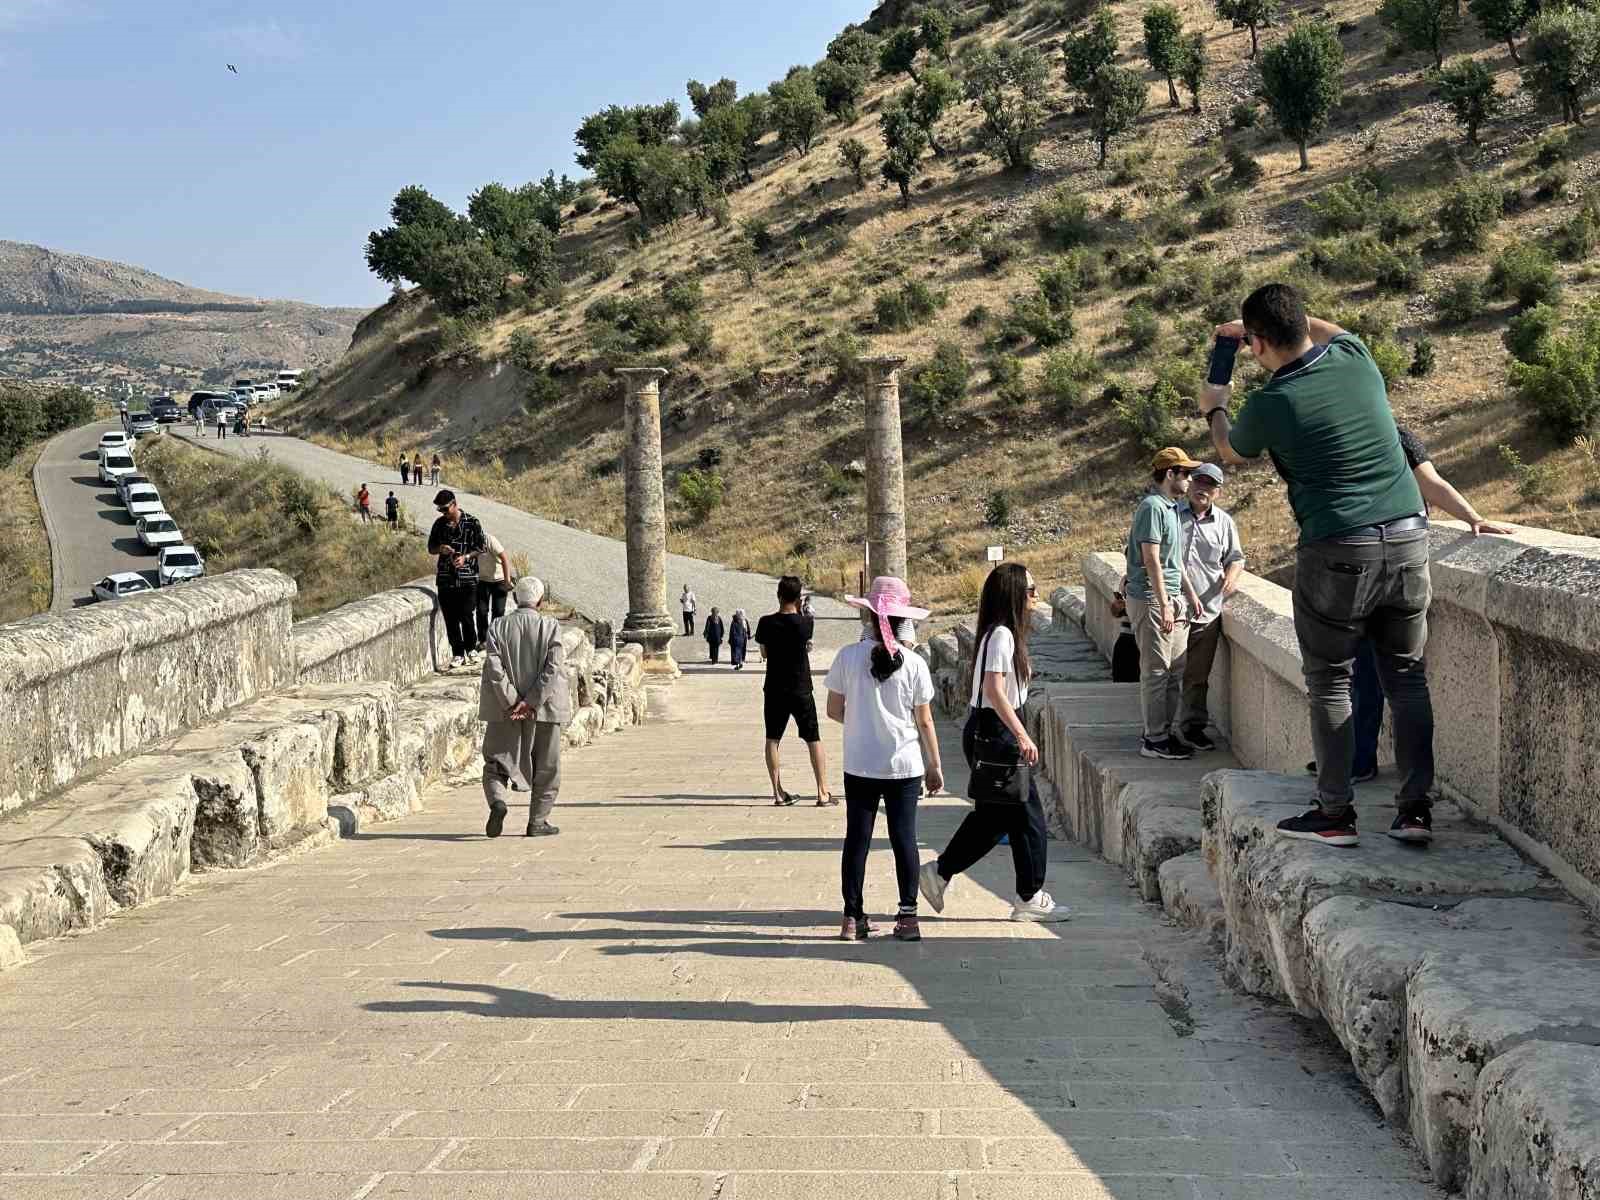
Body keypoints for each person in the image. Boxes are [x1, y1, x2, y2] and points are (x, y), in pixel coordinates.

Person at [1203, 283, 1437, 847]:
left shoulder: (1271, 402)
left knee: (1330, 680)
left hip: (1338, 547)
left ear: (1256, 344)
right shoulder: (1357, 358)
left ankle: (1335, 814)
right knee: (1406, 677)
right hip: (1409, 536)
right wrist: (1275, 326)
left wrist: (1215, 405)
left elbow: (1232, 450)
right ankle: (1415, 812)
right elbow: (1324, 331)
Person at [1305, 427, 1514, 784]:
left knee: (1365, 675)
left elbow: (1430, 483)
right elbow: (1430, 483)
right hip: (1395, 560)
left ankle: (1356, 763)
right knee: (1393, 677)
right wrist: (1472, 517)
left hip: (1368, 564)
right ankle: (1397, 782)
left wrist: (1473, 517)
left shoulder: (1369, 436)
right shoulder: (1388, 434)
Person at [919, 563, 1069, 923]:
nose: (1036, 595)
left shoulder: (999, 634)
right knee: (1027, 816)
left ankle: (941, 873)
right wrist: (1021, 734)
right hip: (997, 732)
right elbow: (993, 690)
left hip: (990, 729)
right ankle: (1028, 896)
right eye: (1031, 589)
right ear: (1014, 593)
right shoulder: (1001, 636)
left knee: (996, 819)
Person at [825, 577, 942, 942]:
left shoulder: (847, 656)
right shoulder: (914, 663)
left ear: (870, 617)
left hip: (859, 763)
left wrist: (862, 719)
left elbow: (833, 710)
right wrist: (935, 765)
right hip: (904, 765)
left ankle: (851, 917)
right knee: (904, 840)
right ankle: (908, 918)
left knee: (856, 840)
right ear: (902, 619)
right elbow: (924, 719)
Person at [1125, 448, 1205, 761]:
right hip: (1152, 599)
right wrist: (1164, 603)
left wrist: (1191, 594)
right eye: (1184, 473)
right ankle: (1154, 739)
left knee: (1175, 670)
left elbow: (1175, 562)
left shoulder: (1173, 509)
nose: (1189, 479)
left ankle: (1164, 731)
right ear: (1169, 474)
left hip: (1174, 598)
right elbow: (1151, 559)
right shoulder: (1152, 507)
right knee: (1157, 671)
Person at [479, 576, 569, 839]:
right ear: (540, 601)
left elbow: (495, 668)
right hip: (544, 710)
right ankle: (537, 821)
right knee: (546, 766)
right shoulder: (550, 627)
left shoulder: (497, 627)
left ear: (515, 599)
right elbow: (552, 668)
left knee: (495, 762)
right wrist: (530, 702)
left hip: (503, 711)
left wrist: (512, 701)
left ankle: (498, 801)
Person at [1176, 463, 1246, 751]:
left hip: (1207, 610)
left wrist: (1231, 576)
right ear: (1189, 485)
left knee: (1196, 676)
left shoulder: (1224, 522)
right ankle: (1157, 730)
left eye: (1210, 485)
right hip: (1171, 609)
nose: (1202, 489)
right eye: (1199, 482)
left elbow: (1237, 557)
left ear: (1217, 492)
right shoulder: (1170, 515)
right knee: (1163, 674)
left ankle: (1192, 728)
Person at [756, 575, 834, 807]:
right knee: (813, 739)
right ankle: (822, 792)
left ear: (778, 596)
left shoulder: (765, 622)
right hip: (801, 687)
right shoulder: (806, 623)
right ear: (799, 598)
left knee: (772, 739)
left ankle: (778, 793)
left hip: (775, 688)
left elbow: (764, 654)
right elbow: (803, 642)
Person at [427, 489, 487, 669]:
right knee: (450, 618)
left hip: (467, 577)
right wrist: (441, 549)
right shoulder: (439, 525)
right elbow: (431, 547)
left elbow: (481, 547)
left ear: (454, 504)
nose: (443, 513)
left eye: (445, 509)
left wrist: (466, 558)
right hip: (446, 578)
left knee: (467, 614)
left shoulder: (472, 522)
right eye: (440, 510)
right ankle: (458, 653)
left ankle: (471, 649)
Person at [474, 530, 515, 652]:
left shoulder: (489, 540)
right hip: (482, 580)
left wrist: (507, 580)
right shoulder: (469, 541)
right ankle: (483, 641)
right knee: (481, 611)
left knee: (498, 611)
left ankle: (495, 639)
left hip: (499, 579)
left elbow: (504, 558)